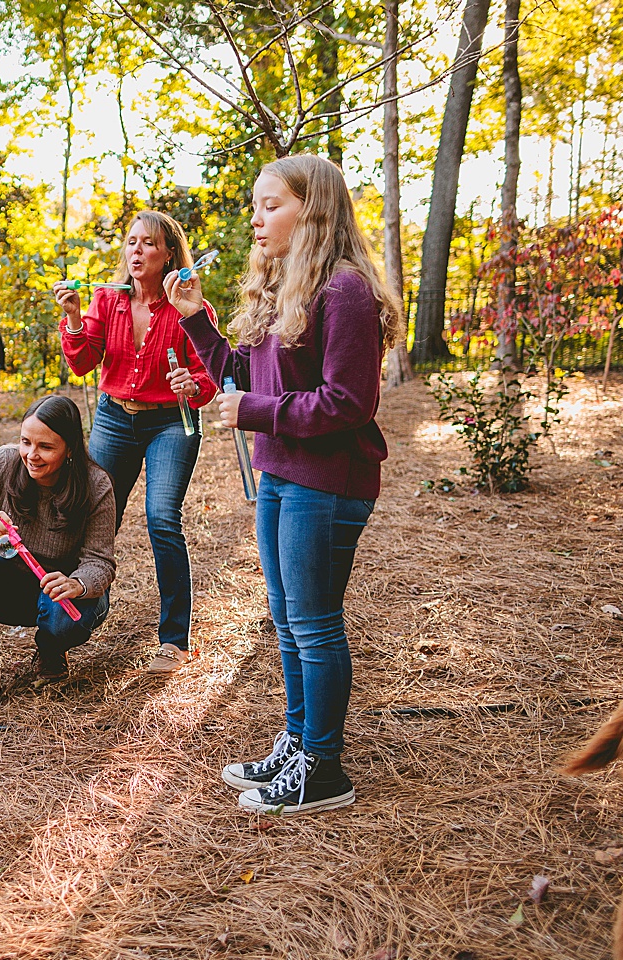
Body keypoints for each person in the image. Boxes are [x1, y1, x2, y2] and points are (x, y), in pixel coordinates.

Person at [168, 155, 404, 816]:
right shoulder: (287, 289)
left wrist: (257, 412)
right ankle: (299, 742)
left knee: (313, 621)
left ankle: (323, 767)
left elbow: (347, 403)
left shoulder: (346, 290)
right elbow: (244, 377)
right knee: (288, 618)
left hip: (328, 482)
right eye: (256, 205)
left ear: (314, 209)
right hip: (282, 473)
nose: (256, 216)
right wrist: (196, 320)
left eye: (271, 204)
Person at [54, 211, 216, 675]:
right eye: (132, 242)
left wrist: (194, 384)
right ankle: (63, 622)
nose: (138, 250)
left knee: (162, 518)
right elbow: (83, 364)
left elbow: (210, 374)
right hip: (114, 419)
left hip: (172, 421)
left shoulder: (190, 307)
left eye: (149, 243)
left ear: (169, 253)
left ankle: (174, 641)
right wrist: (72, 317)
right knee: (93, 514)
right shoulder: (108, 300)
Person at [0, 395, 117, 715]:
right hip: (8, 587)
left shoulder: (95, 484)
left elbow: (100, 560)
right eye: (25, 442)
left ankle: (51, 648)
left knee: (65, 623)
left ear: (70, 449)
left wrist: (77, 584)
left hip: (59, 594)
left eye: (46, 447)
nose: (31, 455)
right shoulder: (2, 463)